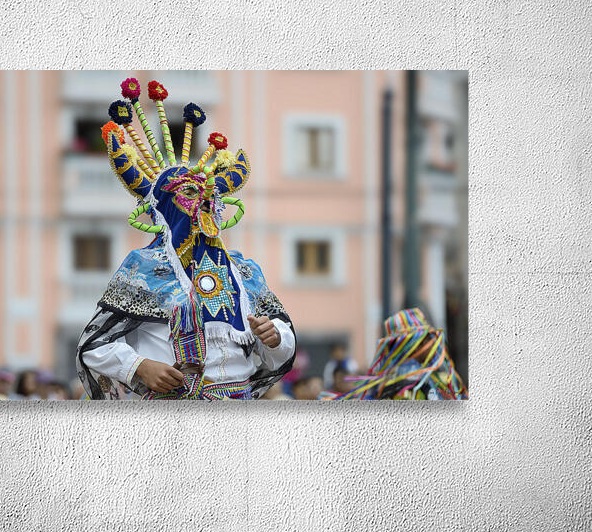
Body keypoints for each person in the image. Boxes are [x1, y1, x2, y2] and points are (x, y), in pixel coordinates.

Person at [77, 77, 296, 400]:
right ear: (165, 208)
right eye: (190, 195)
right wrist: (139, 366)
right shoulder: (144, 268)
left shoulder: (244, 272)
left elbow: (277, 350)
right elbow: (95, 345)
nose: (203, 206)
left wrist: (274, 337)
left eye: (210, 197)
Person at [326, 308, 466, 400]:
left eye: (430, 339)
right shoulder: (406, 383)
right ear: (416, 345)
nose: (432, 344)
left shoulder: (428, 377)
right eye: (427, 339)